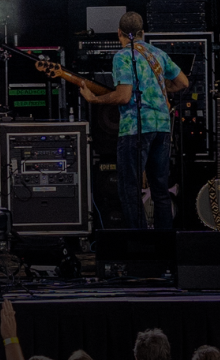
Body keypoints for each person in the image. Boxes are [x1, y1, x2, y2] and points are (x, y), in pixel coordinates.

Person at [77, 11, 188, 230]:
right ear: (142, 33)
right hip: (162, 127)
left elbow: (123, 96)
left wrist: (94, 98)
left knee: (129, 189)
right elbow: (183, 82)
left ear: (119, 33)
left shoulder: (123, 56)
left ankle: (140, 244)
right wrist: (162, 90)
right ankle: (164, 247)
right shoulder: (157, 54)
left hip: (136, 128)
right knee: (160, 190)